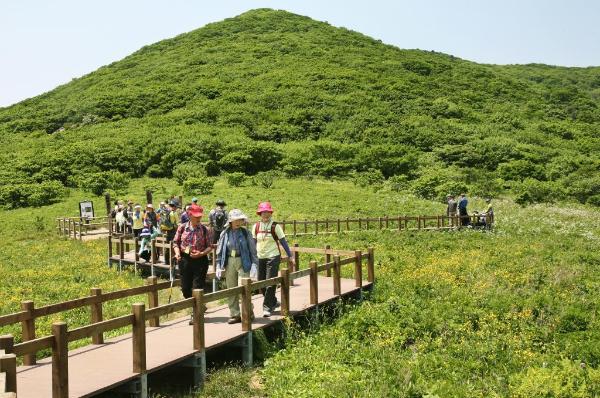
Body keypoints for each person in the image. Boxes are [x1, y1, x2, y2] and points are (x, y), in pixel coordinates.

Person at [252, 202, 295, 318]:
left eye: (267, 212)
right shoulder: (255, 226)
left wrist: (290, 256)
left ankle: (267, 308)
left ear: (270, 213)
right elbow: (253, 243)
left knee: (270, 281)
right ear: (260, 214)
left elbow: (283, 241)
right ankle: (274, 302)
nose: (265, 214)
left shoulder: (275, 226)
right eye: (263, 212)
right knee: (261, 283)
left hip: (273, 256)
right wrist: (251, 258)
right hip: (260, 257)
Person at [216, 209, 258, 324]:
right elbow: (220, 249)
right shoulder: (224, 233)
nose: (239, 222)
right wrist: (218, 265)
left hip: (243, 261)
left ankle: (248, 312)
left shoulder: (245, 233)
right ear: (230, 221)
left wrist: (255, 263)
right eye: (236, 220)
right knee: (231, 289)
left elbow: (252, 249)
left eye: (240, 219)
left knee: (243, 288)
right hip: (229, 261)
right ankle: (235, 314)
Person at [173, 204, 212, 325]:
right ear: (190, 215)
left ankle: (195, 315)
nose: (198, 218)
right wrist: (177, 253)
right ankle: (200, 305)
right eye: (196, 216)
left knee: (197, 288)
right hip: (185, 260)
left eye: (200, 216)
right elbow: (175, 243)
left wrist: (201, 254)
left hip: (200, 261)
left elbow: (210, 246)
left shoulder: (205, 229)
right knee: (185, 289)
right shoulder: (182, 228)